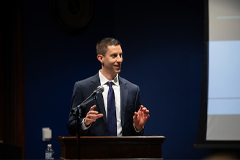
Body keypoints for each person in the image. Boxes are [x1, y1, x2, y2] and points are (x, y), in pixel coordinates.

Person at [67, 37, 150, 136]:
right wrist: (85, 123)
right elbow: (71, 127)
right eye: (114, 56)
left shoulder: (133, 90)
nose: (119, 60)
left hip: (124, 149)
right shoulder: (82, 87)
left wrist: (138, 127)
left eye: (120, 55)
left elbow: (134, 133)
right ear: (100, 58)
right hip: (94, 150)